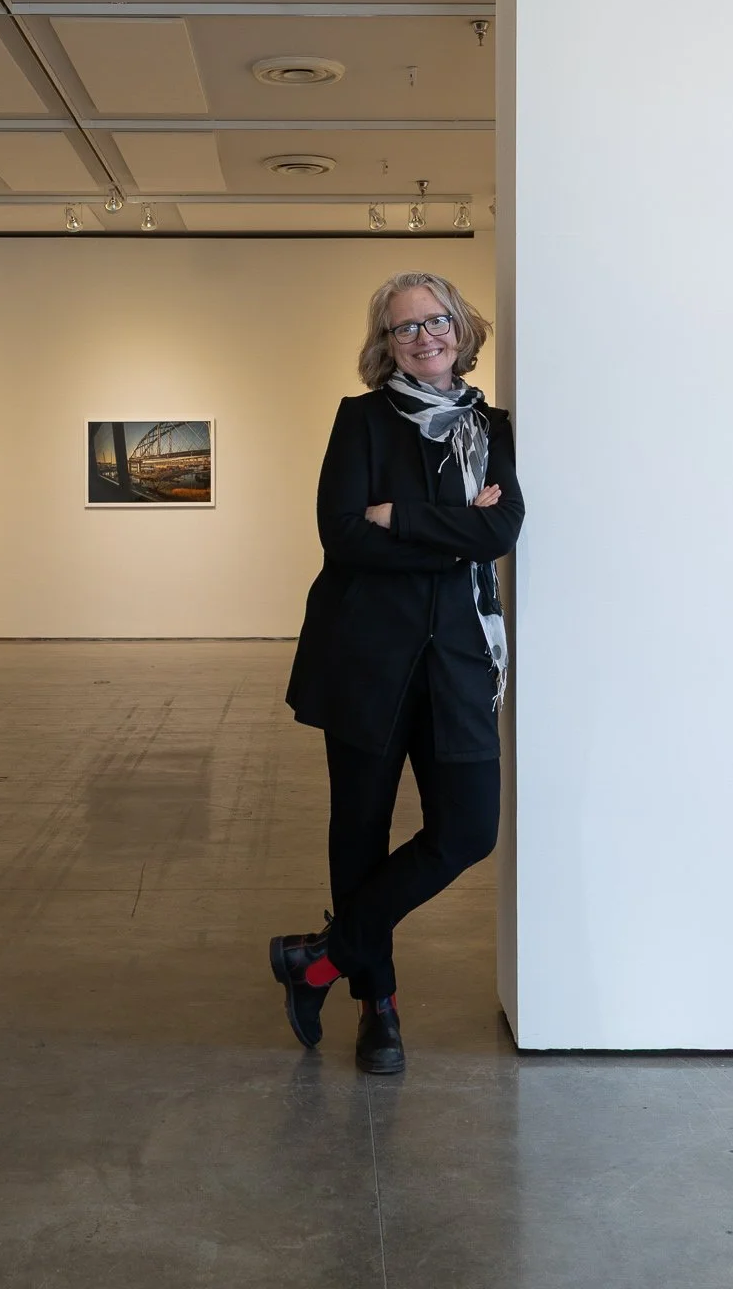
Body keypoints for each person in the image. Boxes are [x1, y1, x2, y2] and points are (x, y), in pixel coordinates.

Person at [270, 271, 523, 1073]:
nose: (424, 337)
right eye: (404, 328)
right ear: (385, 346)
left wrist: (404, 519)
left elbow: (504, 528)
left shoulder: (495, 428)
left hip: (458, 661)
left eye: (436, 320)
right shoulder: (362, 421)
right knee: (361, 834)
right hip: (366, 661)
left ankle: (318, 958)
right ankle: (376, 1003)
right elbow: (343, 535)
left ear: (462, 327)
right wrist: (455, 530)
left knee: (468, 831)